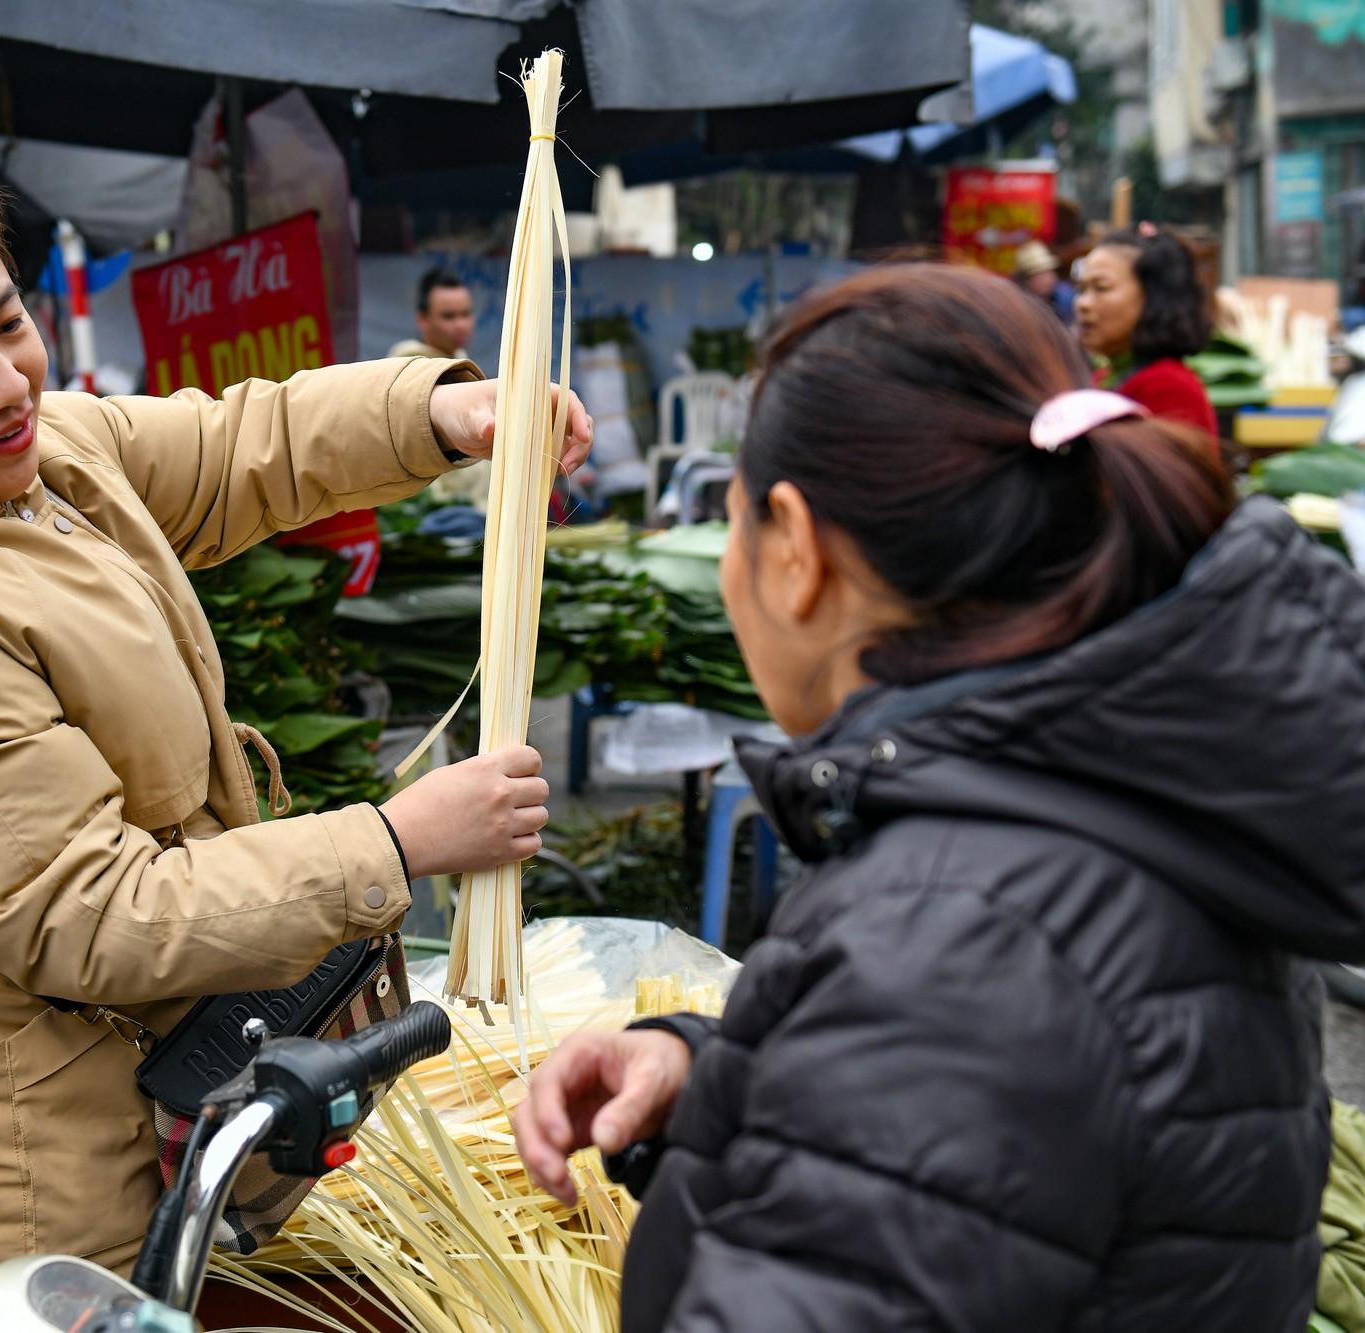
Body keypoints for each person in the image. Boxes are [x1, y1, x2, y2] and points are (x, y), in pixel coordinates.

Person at [0, 150, 591, 1309]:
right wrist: (393, 843)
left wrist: (440, 410)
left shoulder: (32, 459)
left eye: (8, 323)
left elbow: (228, 449)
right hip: (7, 1217)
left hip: (129, 1141)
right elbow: (89, 913)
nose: (5, 382)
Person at [514, 263, 1364, 1332]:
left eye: (732, 523)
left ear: (795, 547)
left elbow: (958, 1064)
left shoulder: (956, 942)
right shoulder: (1122, 797)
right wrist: (719, 1073)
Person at [1076, 226, 1218, 436]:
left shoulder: (1169, 388)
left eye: (1101, 288)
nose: (1083, 304)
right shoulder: (1106, 376)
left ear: (1152, 296)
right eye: (1081, 289)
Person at [389, 268, 475, 360]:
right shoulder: (407, 364)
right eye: (448, 316)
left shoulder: (460, 357)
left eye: (466, 314)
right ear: (423, 319)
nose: (460, 325)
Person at [1011, 238, 1074, 325]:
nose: (1049, 278)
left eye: (1050, 271)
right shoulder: (1017, 309)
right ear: (1026, 280)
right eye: (1041, 274)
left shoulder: (1063, 296)